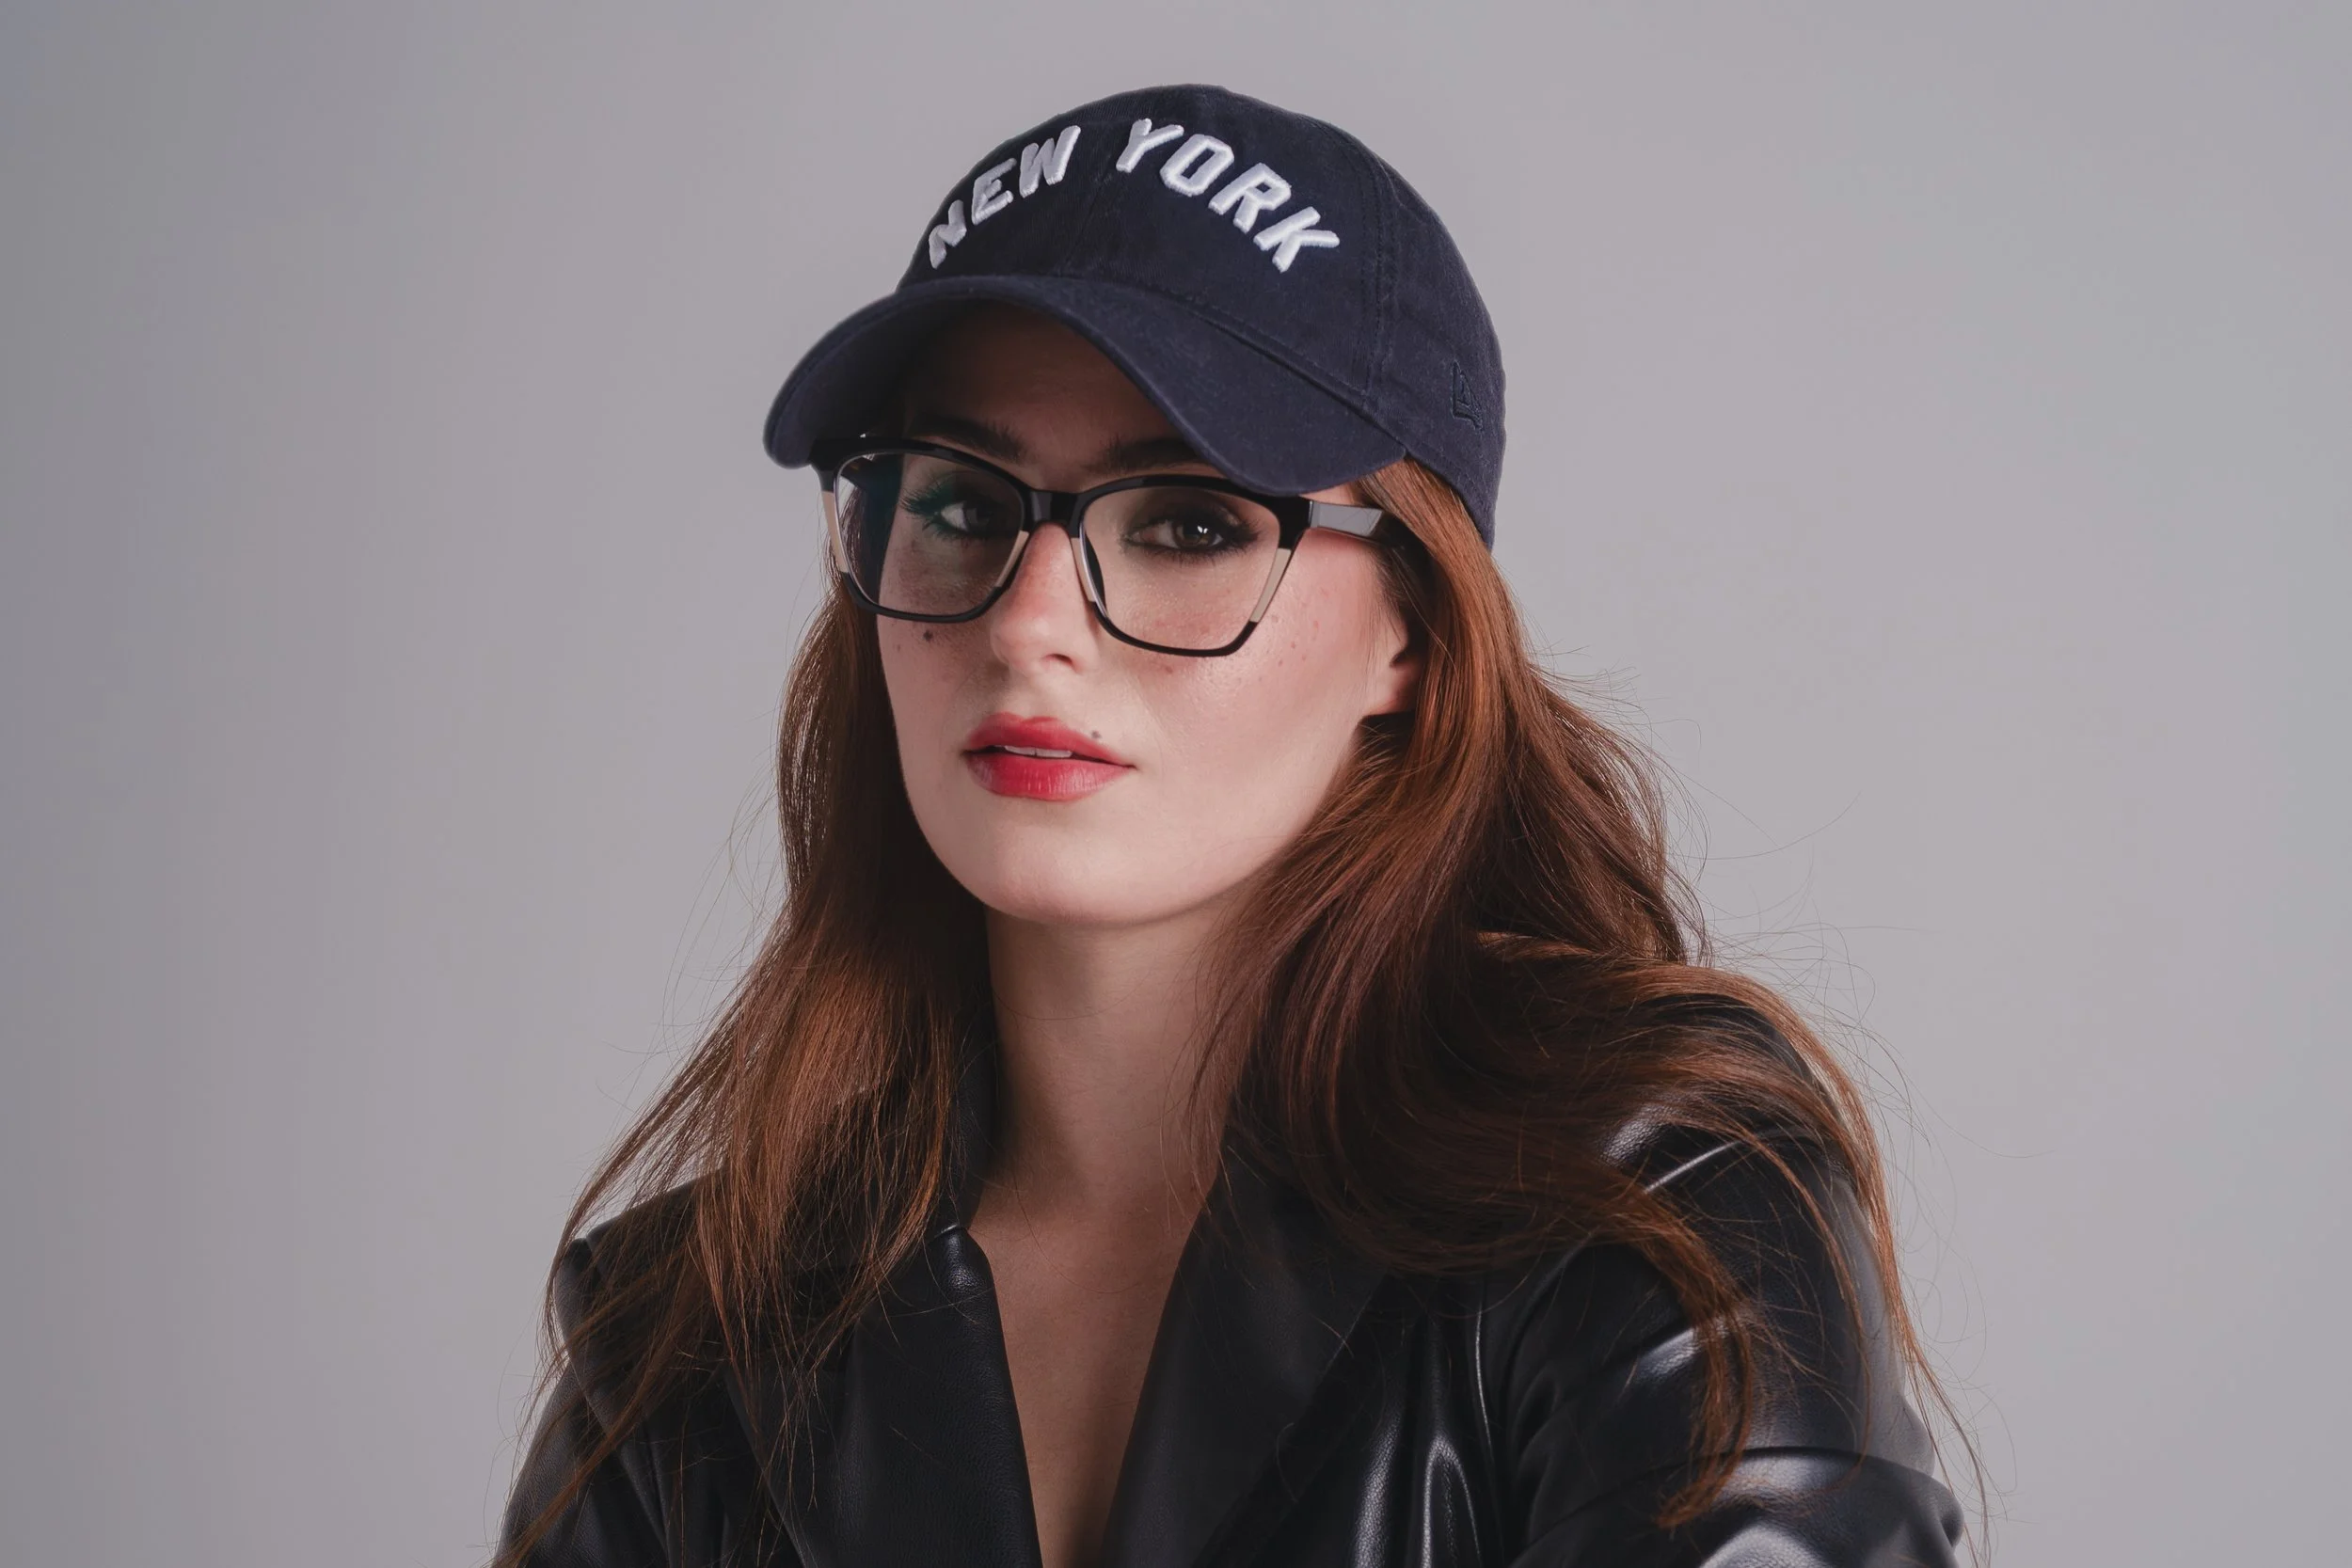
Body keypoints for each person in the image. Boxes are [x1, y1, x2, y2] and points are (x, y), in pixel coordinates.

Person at [499, 84, 1966, 1568]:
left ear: (1414, 634)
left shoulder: (1647, 1200)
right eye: (957, 503)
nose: (1029, 622)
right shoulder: (687, 1352)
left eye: (1190, 521)